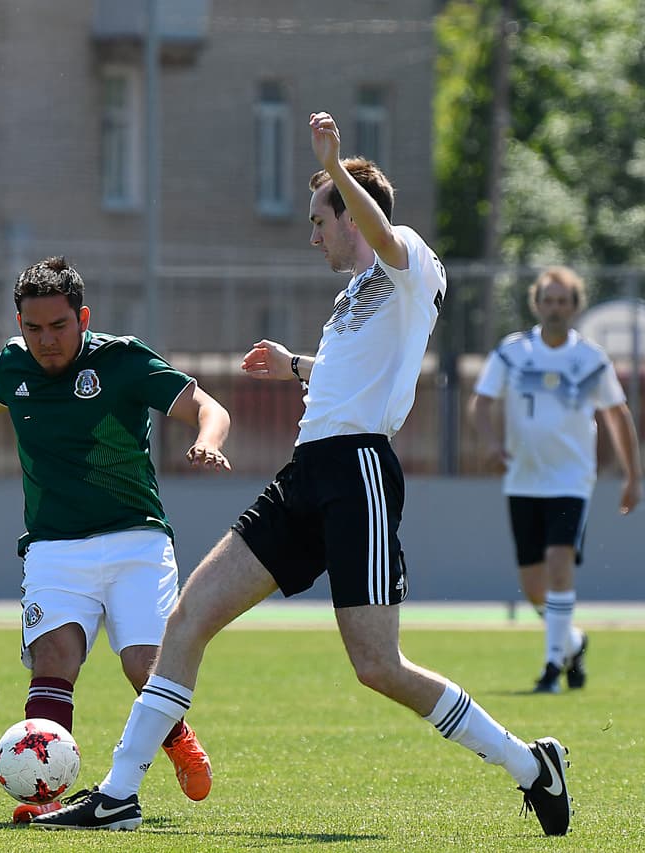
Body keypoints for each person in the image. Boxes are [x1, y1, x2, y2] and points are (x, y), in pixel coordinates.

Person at [34, 111, 572, 837]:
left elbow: (382, 237)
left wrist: (335, 164)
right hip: (307, 469)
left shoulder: (409, 258)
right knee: (188, 618)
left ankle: (531, 765)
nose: (313, 235)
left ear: (349, 212)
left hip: (359, 474)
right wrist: (295, 364)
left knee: (378, 665)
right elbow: (354, 374)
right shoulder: (353, 296)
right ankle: (119, 793)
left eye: (320, 221)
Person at [0, 256, 232, 823]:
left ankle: (177, 736)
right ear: (19, 326)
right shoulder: (15, 366)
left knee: (144, 665)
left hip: (136, 540)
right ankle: (46, 797)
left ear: (83, 318)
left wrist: (208, 438)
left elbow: (207, 404)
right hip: (54, 548)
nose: (46, 341)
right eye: (32, 329)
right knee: (54, 659)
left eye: (59, 327)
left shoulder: (122, 359)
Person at [469, 266, 640, 693]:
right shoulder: (513, 351)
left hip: (571, 480)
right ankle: (573, 642)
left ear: (575, 306)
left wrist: (632, 476)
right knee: (533, 587)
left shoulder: (590, 359)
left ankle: (551, 668)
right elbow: (481, 402)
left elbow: (617, 414)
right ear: (537, 303)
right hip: (523, 480)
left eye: (564, 301)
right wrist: (490, 444)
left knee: (560, 565)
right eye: (549, 299)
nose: (556, 308)